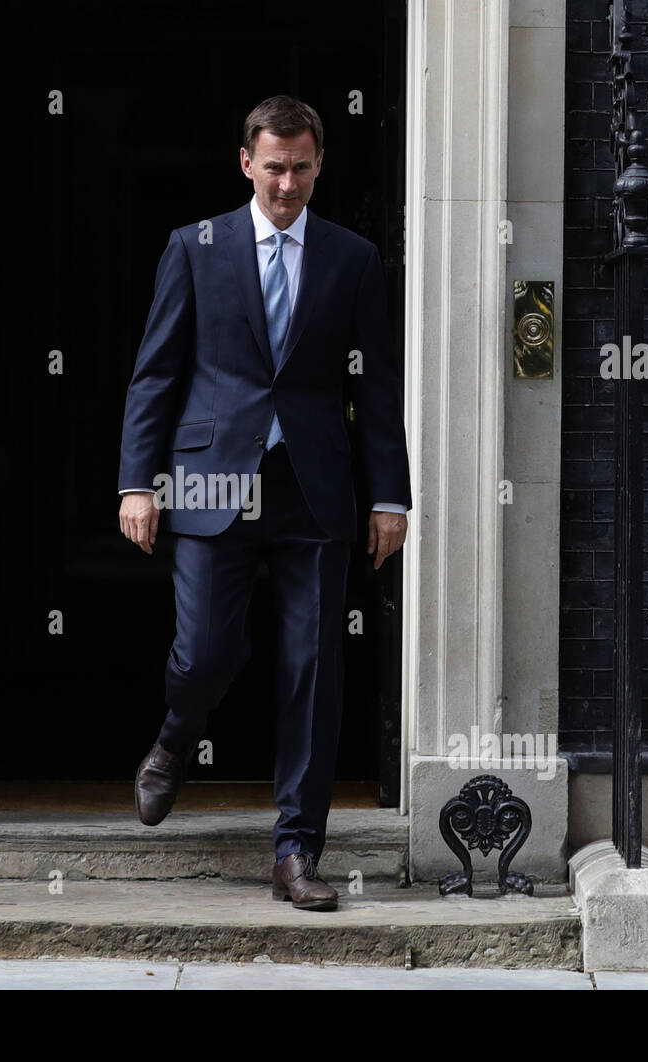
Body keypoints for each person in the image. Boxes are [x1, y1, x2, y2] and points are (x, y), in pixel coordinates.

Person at [116, 95, 411, 911]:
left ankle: (296, 852)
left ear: (320, 166)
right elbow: (156, 373)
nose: (287, 182)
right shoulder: (194, 247)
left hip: (314, 490)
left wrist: (390, 494)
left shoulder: (353, 258)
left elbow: (375, 385)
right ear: (246, 162)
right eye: (273, 166)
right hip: (213, 484)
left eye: (301, 166)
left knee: (312, 670)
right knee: (207, 650)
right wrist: (136, 482)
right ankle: (175, 740)